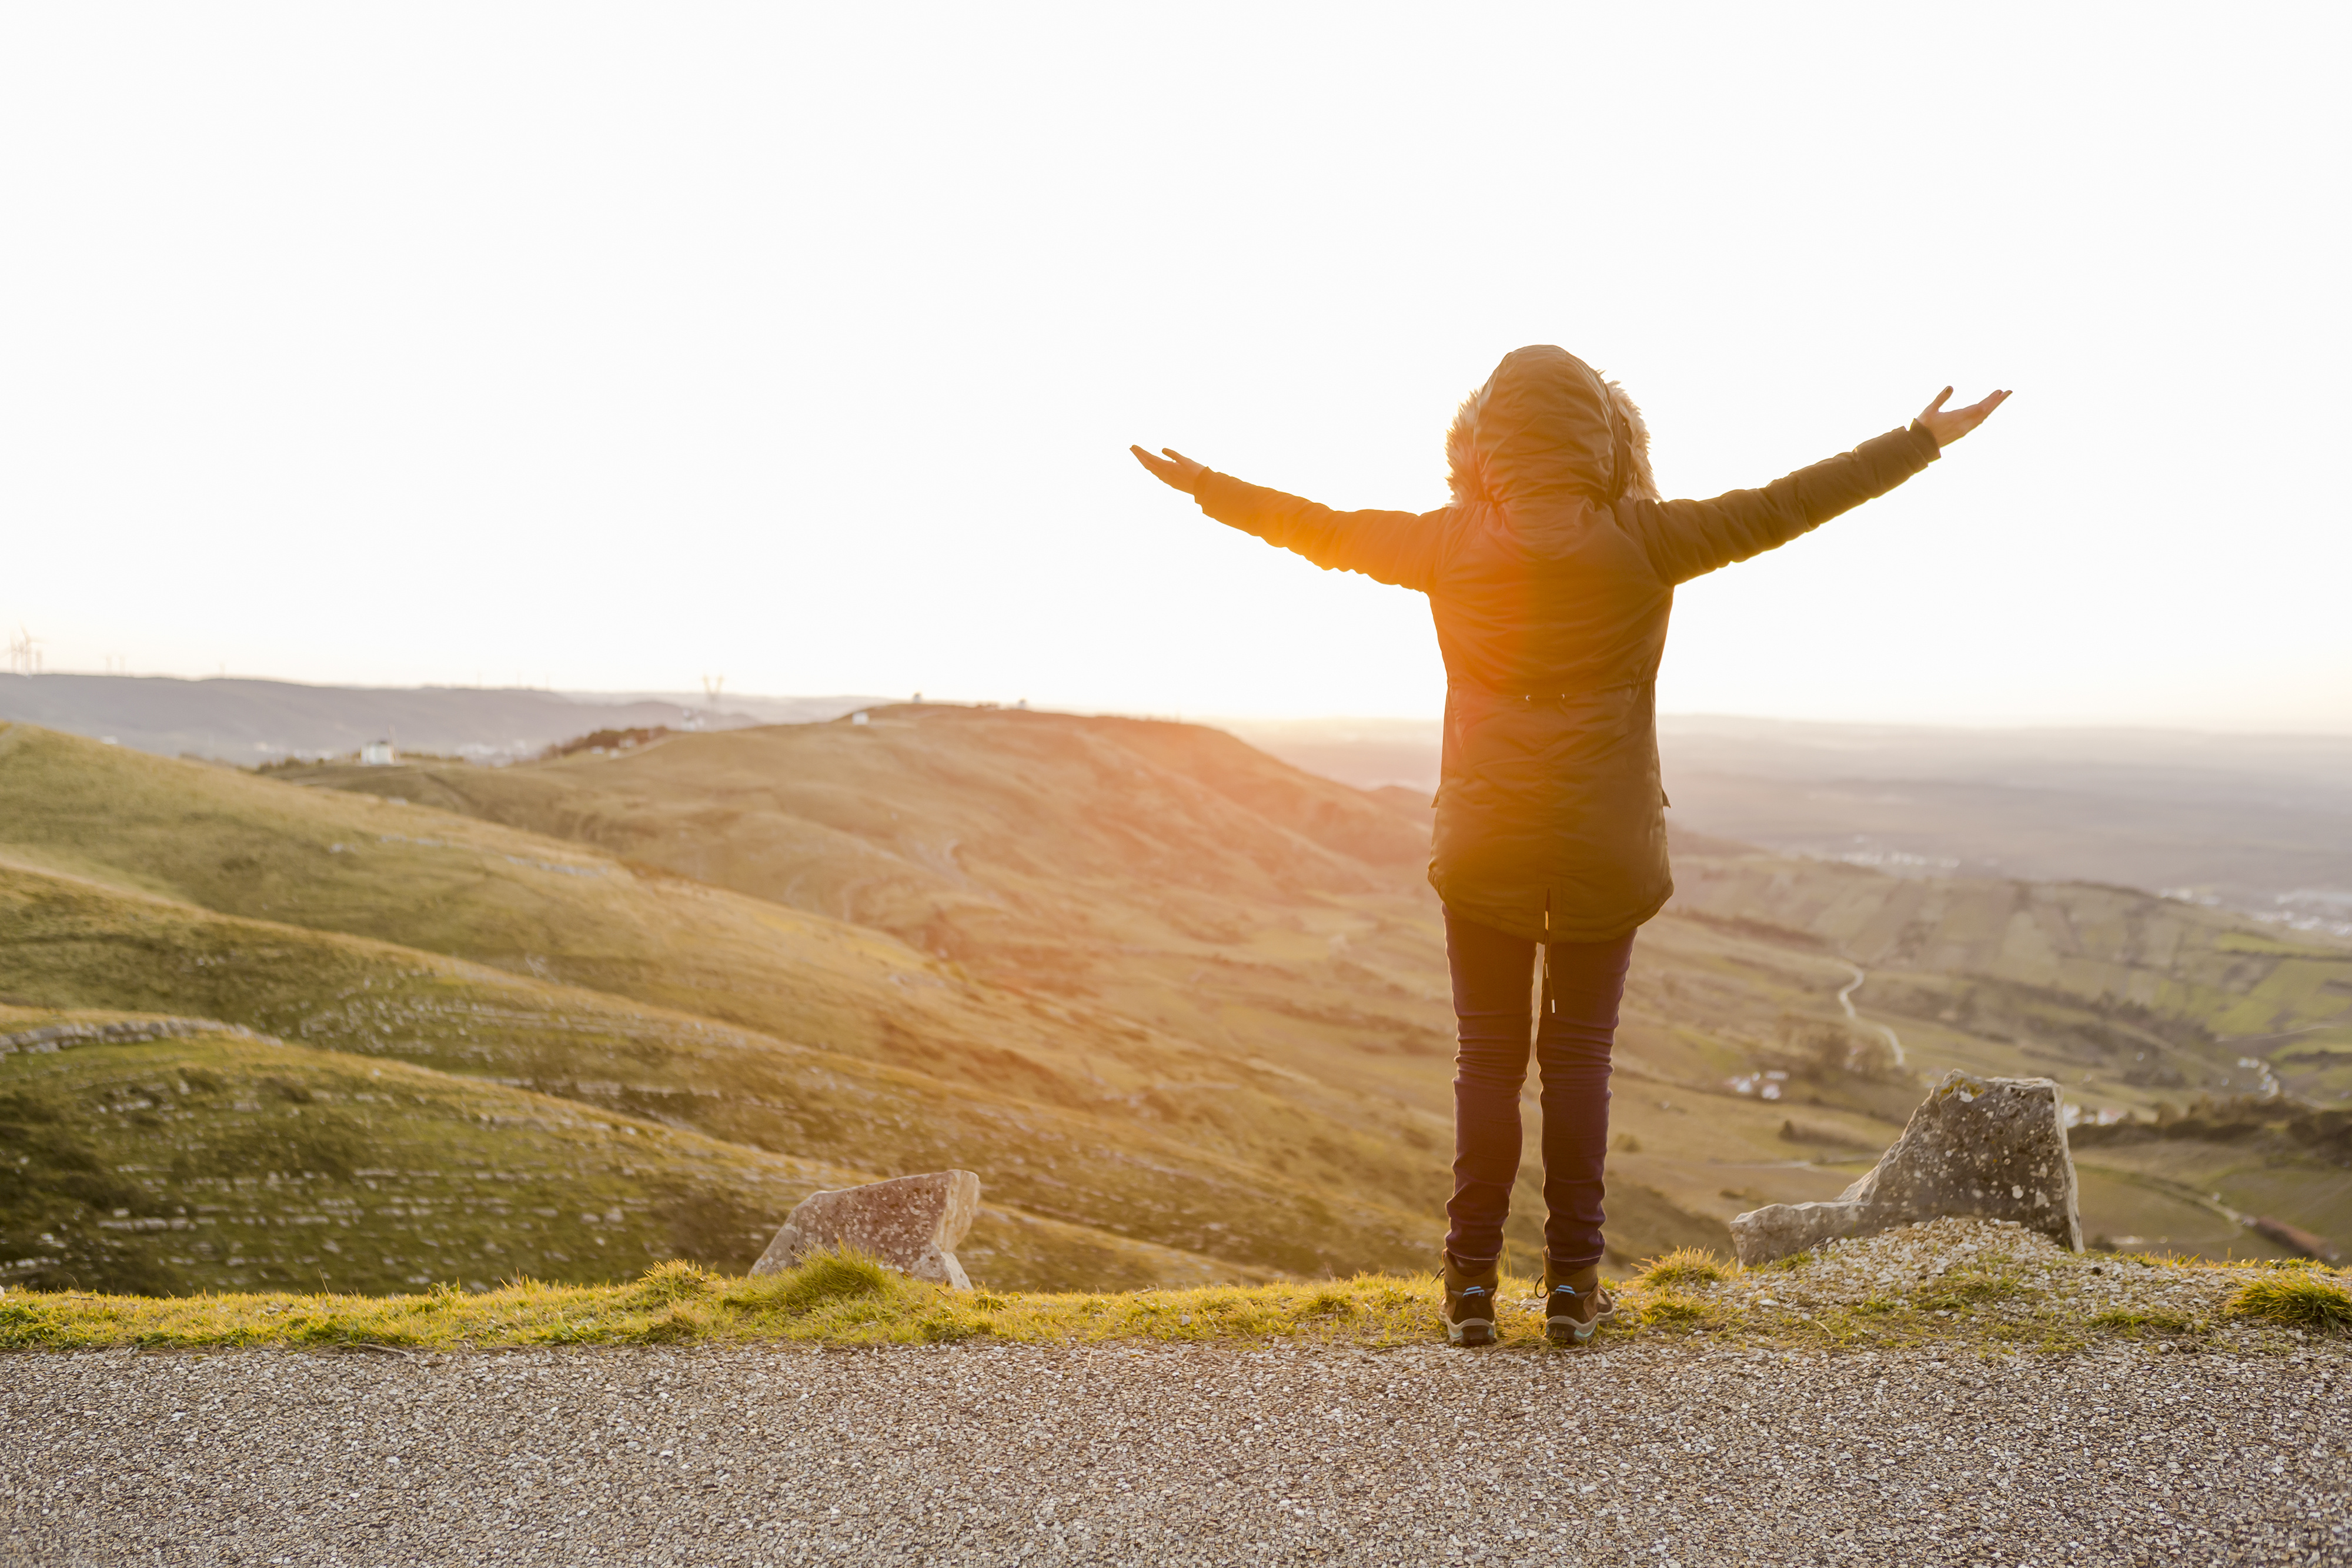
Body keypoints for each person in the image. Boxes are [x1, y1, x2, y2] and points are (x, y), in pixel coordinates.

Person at [1132, 346, 2007, 1347]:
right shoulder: (1650, 538)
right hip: (1606, 838)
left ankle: (1468, 1290)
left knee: (1486, 1061)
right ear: (1608, 438)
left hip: (1485, 838)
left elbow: (1314, 530)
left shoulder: (1446, 543)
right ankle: (1571, 1289)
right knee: (1580, 1060)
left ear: (1482, 443)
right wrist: (1918, 443)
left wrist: (1205, 487)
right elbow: (1794, 503)